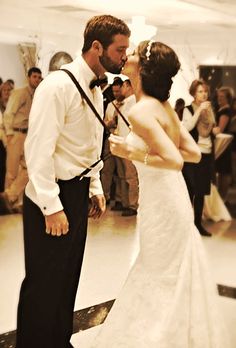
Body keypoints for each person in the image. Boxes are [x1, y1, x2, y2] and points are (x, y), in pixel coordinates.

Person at [91, 41, 230, 347]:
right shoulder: (164, 107)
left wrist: (131, 151)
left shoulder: (142, 111)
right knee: (164, 269)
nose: (128, 58)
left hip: (162, 204)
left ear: (142, 69)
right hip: (171, 197)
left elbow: (177, 160)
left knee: (158, 270)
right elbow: (193, 153)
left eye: (135, 55)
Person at [15, 14, 130, 348]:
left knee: (67, 277)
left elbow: (90, 144)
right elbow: (38, 150)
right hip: (51, 194)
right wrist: (51, 206)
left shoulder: (97, 87)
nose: (125, 56)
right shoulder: (57, 86)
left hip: (78, 192)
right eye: (120, 49)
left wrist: (94, 187)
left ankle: (58, 340)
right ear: (97, 46)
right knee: (43, 281)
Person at [0, 68, 42, 213]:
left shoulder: (35, 94)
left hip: (27, 135)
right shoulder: (20, 93)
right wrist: (10, 134)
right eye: (34, 77)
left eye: (39, 77)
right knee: (11, 171)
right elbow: (9, 112)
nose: (37, 79)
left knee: (29, 168)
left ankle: (11, 197)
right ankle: (7, 205)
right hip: (16, 134)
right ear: (29, 77)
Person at [182, 79, 219, 237]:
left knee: (202, 191)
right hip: (192, 155)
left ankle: (198, 223)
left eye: (205, 91)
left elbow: (212, 126)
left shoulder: (210, 109)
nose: (203, 94)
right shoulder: (188, 109)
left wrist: (215, 130)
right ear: (193, 93)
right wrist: (199, 111)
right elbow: (186, 127)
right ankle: (186, 225)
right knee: (190, 190)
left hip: (207, 153)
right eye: (200, 91)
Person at [215, 86, 234, 202]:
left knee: (224, 171)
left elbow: (220, 129)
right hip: (223, 143)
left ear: (228, 98)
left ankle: (223, 198)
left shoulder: (225, 111)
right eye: (218, 96)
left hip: (225, 145)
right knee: (222, 171)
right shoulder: (222, 109)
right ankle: (221, 198)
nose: (219, 99)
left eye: (222, 97)